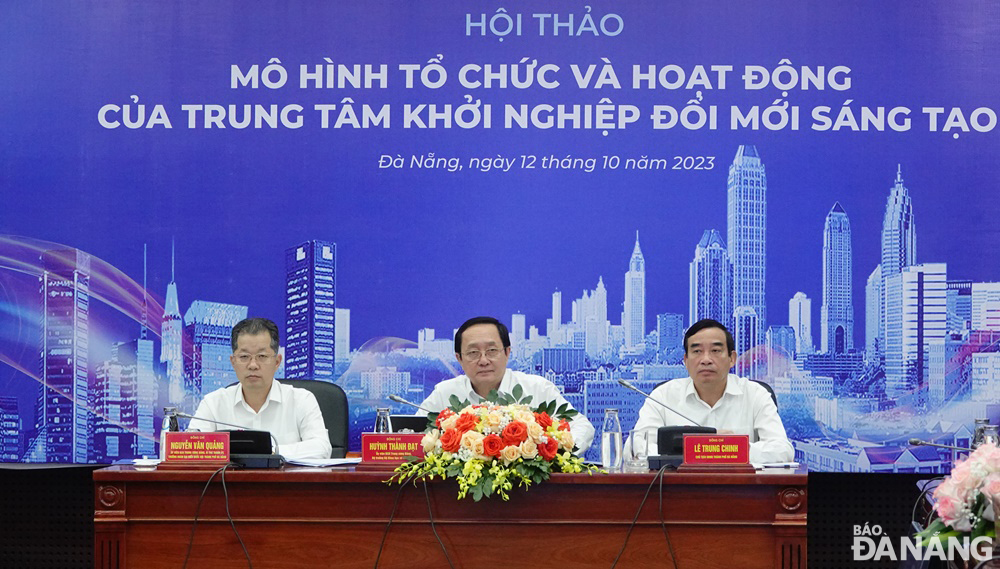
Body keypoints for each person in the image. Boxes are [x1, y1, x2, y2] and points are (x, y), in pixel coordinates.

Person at [420, 316, 595, 455]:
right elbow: (413, 434)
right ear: (459, 358)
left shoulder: (537, 389)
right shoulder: (445, 393)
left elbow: (582, 426)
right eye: (473, 353)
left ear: (507, 352)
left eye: (492, 351)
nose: (483, 360)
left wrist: (555, 454)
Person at [629, 318, 794, 464]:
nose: (706, 360)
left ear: (732, 358)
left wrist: (730, 449)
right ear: (686, 361)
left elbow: (783, 450)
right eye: (697, 351)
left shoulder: (756, 394)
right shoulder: (663, 396)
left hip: (741, 493)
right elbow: (637, 447)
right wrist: (704, 448)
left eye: (715, 351)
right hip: (677, 492)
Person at [188, 317, 333, 460]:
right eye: (244, 356)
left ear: (277, 362)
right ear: (233, 362)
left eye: (262, 356)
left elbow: (321, 448)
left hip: (287, 483)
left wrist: (270, 451)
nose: (253, 365)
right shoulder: (213, 403)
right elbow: (190, 449)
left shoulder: (301, 400)